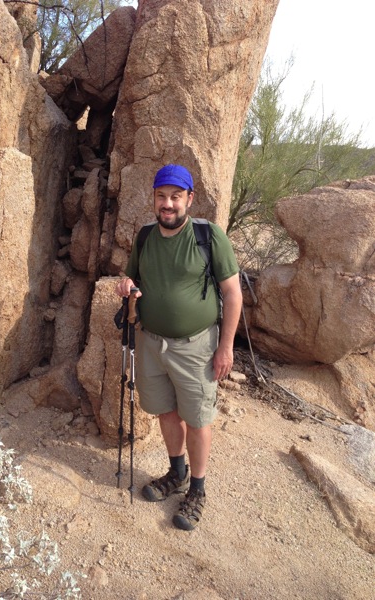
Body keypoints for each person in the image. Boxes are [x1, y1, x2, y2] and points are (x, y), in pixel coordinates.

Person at [115, 164, 242, 531]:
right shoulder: (145, 236)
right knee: (166, 411)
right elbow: (132, 275)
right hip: (152, 343)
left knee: (198, 419)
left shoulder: (208, 236)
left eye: (175, 196)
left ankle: (197, 490)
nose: (167, 204)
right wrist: (125, 284)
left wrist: (226, 348)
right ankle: (177, 473)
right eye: (161, 196)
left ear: (189, 198)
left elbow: (233, 294)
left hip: (196, 347)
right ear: (154, 198)